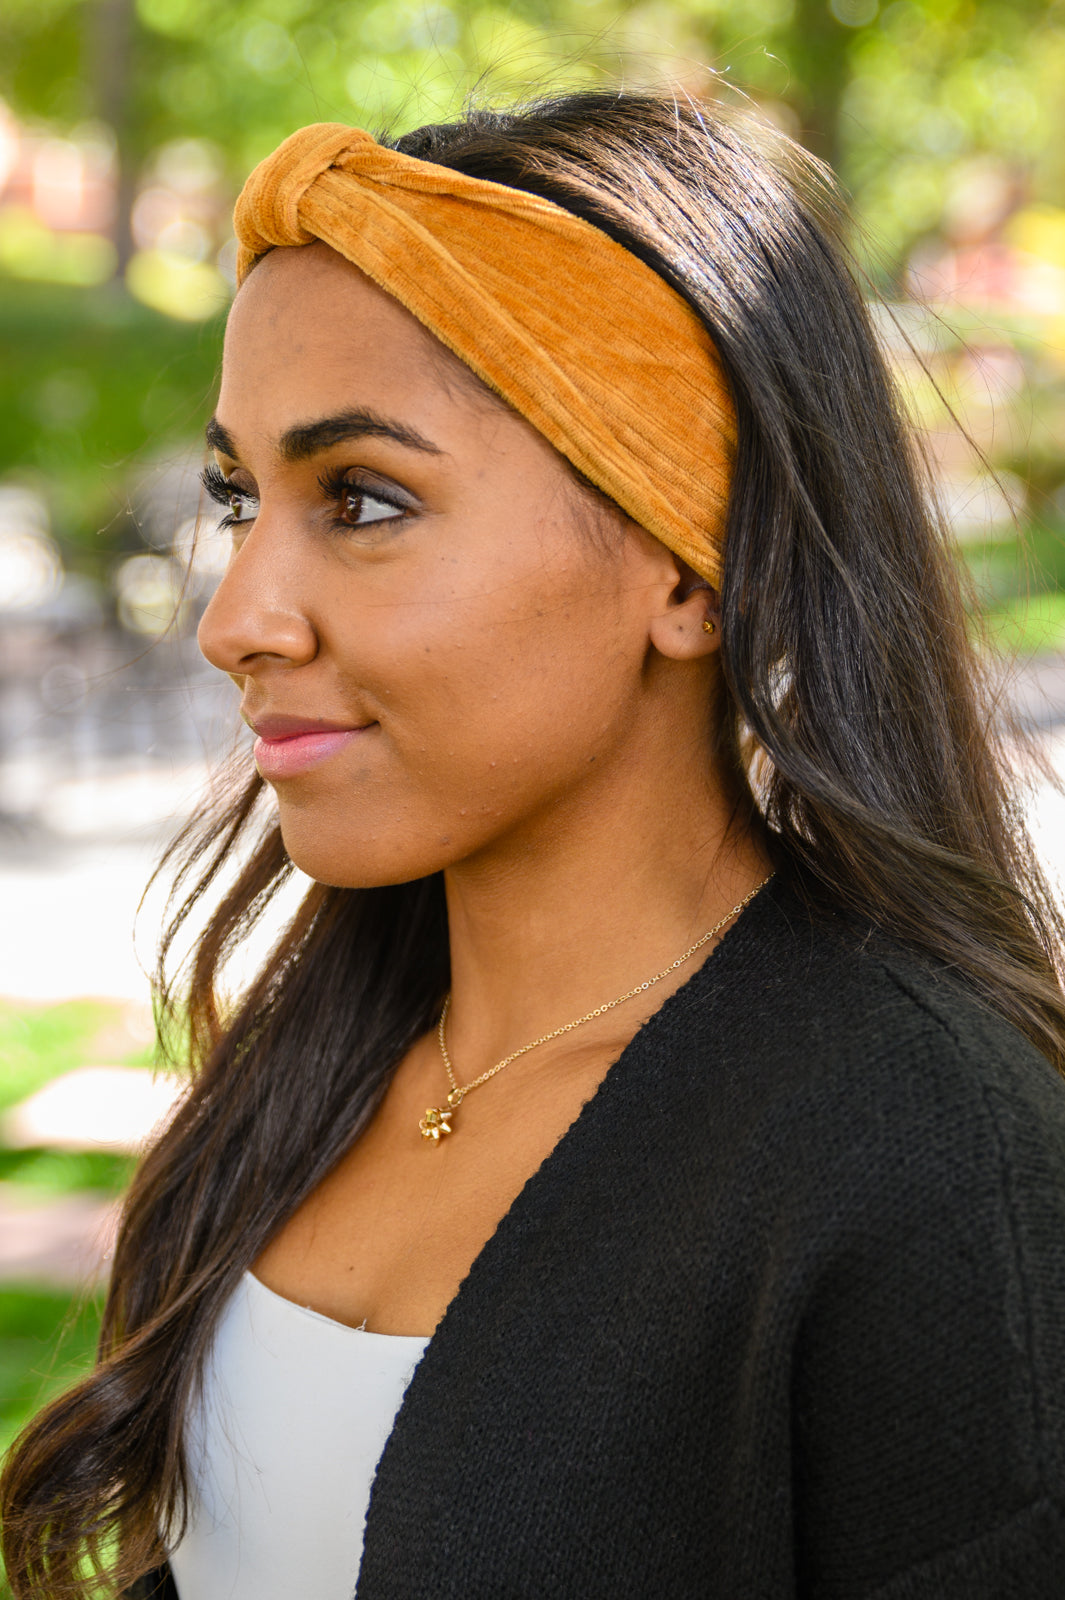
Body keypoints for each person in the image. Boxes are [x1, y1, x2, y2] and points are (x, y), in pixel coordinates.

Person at [4, 87, 1065, 1600]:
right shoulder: (311, 1065)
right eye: (238, 498)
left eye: (361, 499)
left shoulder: (929, 1156)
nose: (235, 617)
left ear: (693, 566)